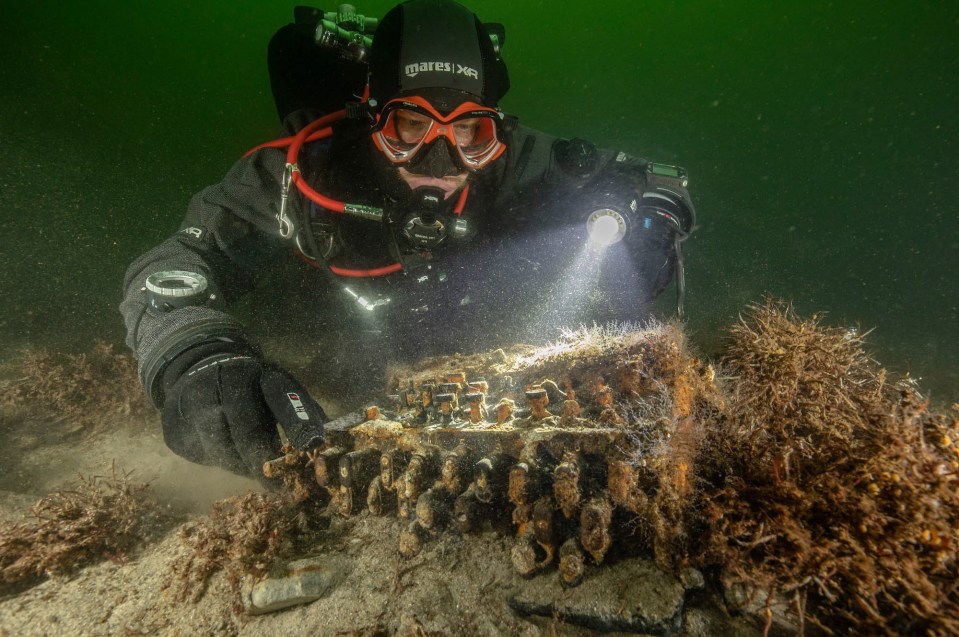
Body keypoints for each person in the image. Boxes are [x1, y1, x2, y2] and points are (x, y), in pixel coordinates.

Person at [120, 0, 696, 481]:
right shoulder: (303, 174)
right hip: (324, 331)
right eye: (410, 126)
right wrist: (194, 356)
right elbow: (175, 261)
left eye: (470, 131)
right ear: (372, 118)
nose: (441, 161)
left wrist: (654, 222)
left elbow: (656, 178)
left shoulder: (517, 161)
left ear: (495, 131)